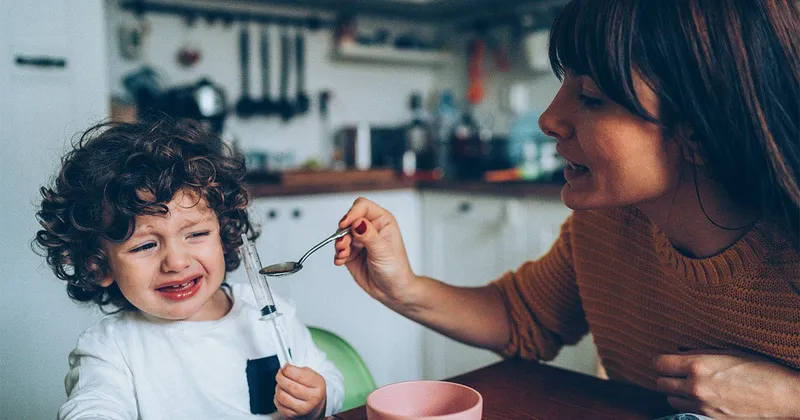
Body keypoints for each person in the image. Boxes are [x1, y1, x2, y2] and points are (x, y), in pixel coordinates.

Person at [334, 0, 800, 418]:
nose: (548, 119)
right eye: (565, 84)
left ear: (699, 131)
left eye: (592, 98)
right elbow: (524, 317)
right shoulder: (610, 219)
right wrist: (402, 287)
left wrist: (787, 399)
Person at [35, 117, 343, 419]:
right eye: (145, 246)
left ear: (225, 233)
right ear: (97, 265)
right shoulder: (110, 349)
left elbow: (328, 379)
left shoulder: (271, 314)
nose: (177, 262)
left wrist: (318, 399)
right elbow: (91, 406)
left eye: (196, 234)